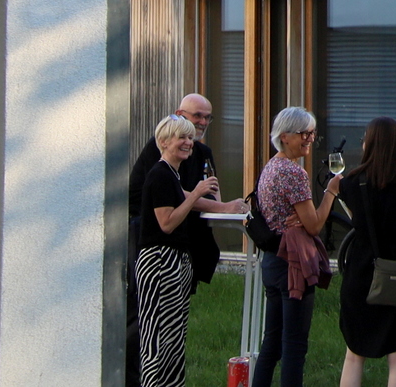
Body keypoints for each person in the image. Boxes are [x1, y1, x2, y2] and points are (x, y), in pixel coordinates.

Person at [125, 93, 244, 387]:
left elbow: (211, 195)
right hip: (155, 251)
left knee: (174, 331)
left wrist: (220, 203)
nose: (199, 126)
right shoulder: (160, 167)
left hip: (180, 253)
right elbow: (167, 217)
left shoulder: (195, 157)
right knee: (151, 329)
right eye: (195, 117)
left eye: (206, 118)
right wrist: (206, 199)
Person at [337, 117, 396, 387]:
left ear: (369, 144)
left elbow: (358, 220)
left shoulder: (350, 184)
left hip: (361, 271)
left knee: (354, 354)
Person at [253, 106, 337, 387]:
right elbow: (314, 226)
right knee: (294, 345)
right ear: (285, 136)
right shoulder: (294, 173)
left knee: (272, 342)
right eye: (304, 133)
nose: (310, 139)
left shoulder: (270, 167)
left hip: (272, 260)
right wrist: (331, 192)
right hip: (294, 263)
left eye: (313, 133)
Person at [136, 114, 219, 387]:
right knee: (158, 337)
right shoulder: (160, 175)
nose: (188, 142)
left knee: (174, 337)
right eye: (181, 137)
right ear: (163, 142)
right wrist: (196, 194)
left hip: (176, 261)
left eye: (190, 137)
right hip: (160, 262)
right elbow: (167, 223)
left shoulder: (172, 174)